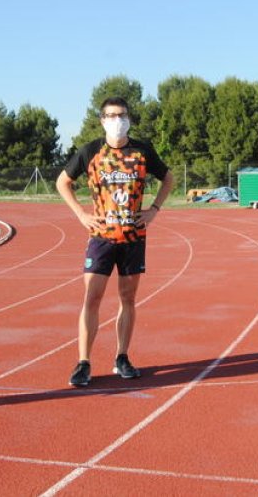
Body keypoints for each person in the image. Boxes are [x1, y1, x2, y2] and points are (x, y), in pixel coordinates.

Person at [55, 96, 175, 387]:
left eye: (121, 114)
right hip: (101, 238)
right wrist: (81, 215)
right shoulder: (90, 151)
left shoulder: (143, 150)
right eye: (110, 115)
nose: (116, 120)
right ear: (102, 120)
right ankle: (83, 362)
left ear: (129, 118)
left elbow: (168, 178)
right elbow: (63, 182)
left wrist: (154, 210)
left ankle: (122, 357)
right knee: (92, 298)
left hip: (133, 237)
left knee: (128, 298)